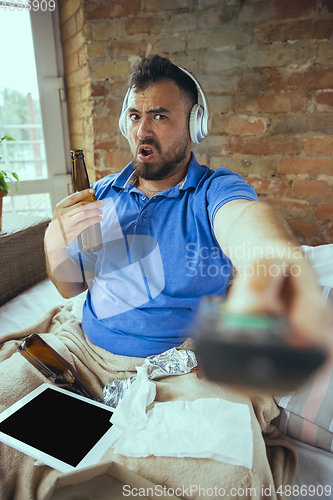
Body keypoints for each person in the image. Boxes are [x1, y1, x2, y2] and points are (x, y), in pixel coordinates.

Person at [45, 54, 332, 358]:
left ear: (195, 125)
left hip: (176, 366)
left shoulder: (213, 190)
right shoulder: (99, 193)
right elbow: (70, 288)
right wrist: (55, 241)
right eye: (134, 116)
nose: (142, 131)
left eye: (159, 116)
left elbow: (241, 218)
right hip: (84, 351)